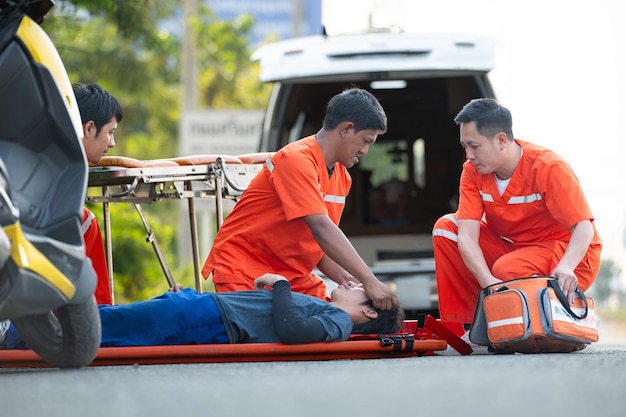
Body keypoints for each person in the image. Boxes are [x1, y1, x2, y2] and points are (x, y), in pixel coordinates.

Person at [202, 87, 397, 310]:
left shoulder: (342, 177)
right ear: (346, 129)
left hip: (291, 277)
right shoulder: (296, 160)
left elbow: (319, 245)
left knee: (332, 319)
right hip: (247, 272)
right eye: (365, 141)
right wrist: (369, 281)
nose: (364, 151)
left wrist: (347, 278)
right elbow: (322, 230)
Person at [432, 98, 602, 327]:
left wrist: (566, 265)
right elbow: (466, 237)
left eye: (474, 146)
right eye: (465, 147)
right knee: (446, 229)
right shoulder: (472, 172)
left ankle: (561, 314)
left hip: (568, 254)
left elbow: (584, 227)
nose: (469, 155)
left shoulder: (547, 167)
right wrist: (489, 283)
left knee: (508, 268)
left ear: (501, 140)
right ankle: (473, 327)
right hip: (516, 249)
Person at [2, 273, 403, 348]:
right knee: (117, 321)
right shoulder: (331, 312)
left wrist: (282, 284)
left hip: (210, 318)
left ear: (368, 313)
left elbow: (292, 331)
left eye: (360, 289)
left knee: (111, 325)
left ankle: (14, 333)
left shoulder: (336, 320)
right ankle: (21, 329)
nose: (352, 283)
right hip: (206, 311)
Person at [74, 83, 124, 305]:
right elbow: (99, 309)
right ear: (89, 128)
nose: (112, 143)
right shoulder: (83, 221)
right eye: (110, 133)